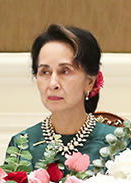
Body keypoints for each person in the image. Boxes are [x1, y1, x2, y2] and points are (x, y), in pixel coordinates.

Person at [9, 24, 124, 167]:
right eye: (45, 72)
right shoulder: (22, 145)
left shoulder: (117, 144)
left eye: (64, 71)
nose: (53, 84)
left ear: (89, 82)